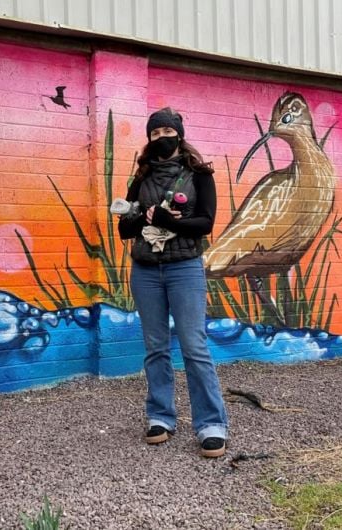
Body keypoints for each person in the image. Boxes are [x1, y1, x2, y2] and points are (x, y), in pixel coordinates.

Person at [117, 107, 229, 458]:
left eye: (167, 132)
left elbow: (206, 223)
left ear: (179, 135)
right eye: (155, 133)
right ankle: (160, 417)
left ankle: (211, 424)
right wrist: (143, 219)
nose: (161, 138)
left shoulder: (199, 174)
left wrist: (171, 221)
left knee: (194, 347)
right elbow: (123, 230)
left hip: (184, 268)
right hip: (146, 270)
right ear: (149, 138)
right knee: (155, 348)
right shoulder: (141, 178)